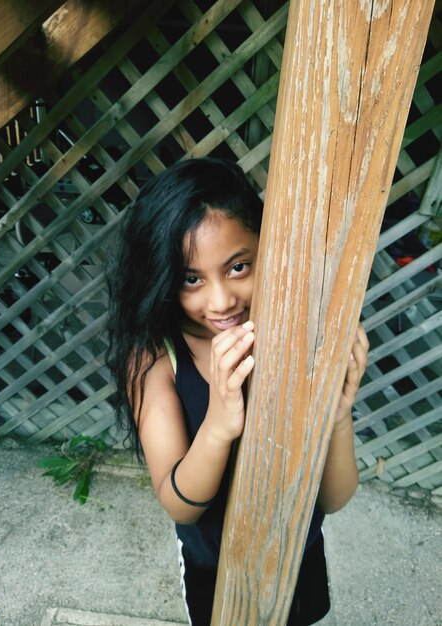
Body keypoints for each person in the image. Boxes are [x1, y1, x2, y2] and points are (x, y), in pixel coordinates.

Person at [106, 157, 369, 626]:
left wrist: (338, 416)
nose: (221, 300)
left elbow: (333, 499)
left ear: (265, 250)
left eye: (238, 267)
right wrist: (219, 425)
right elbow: (178, 504)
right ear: (159, 277)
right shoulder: (155, 360)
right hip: (215, 570)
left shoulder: (292, 339)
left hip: (298, 555)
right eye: (191, 279)